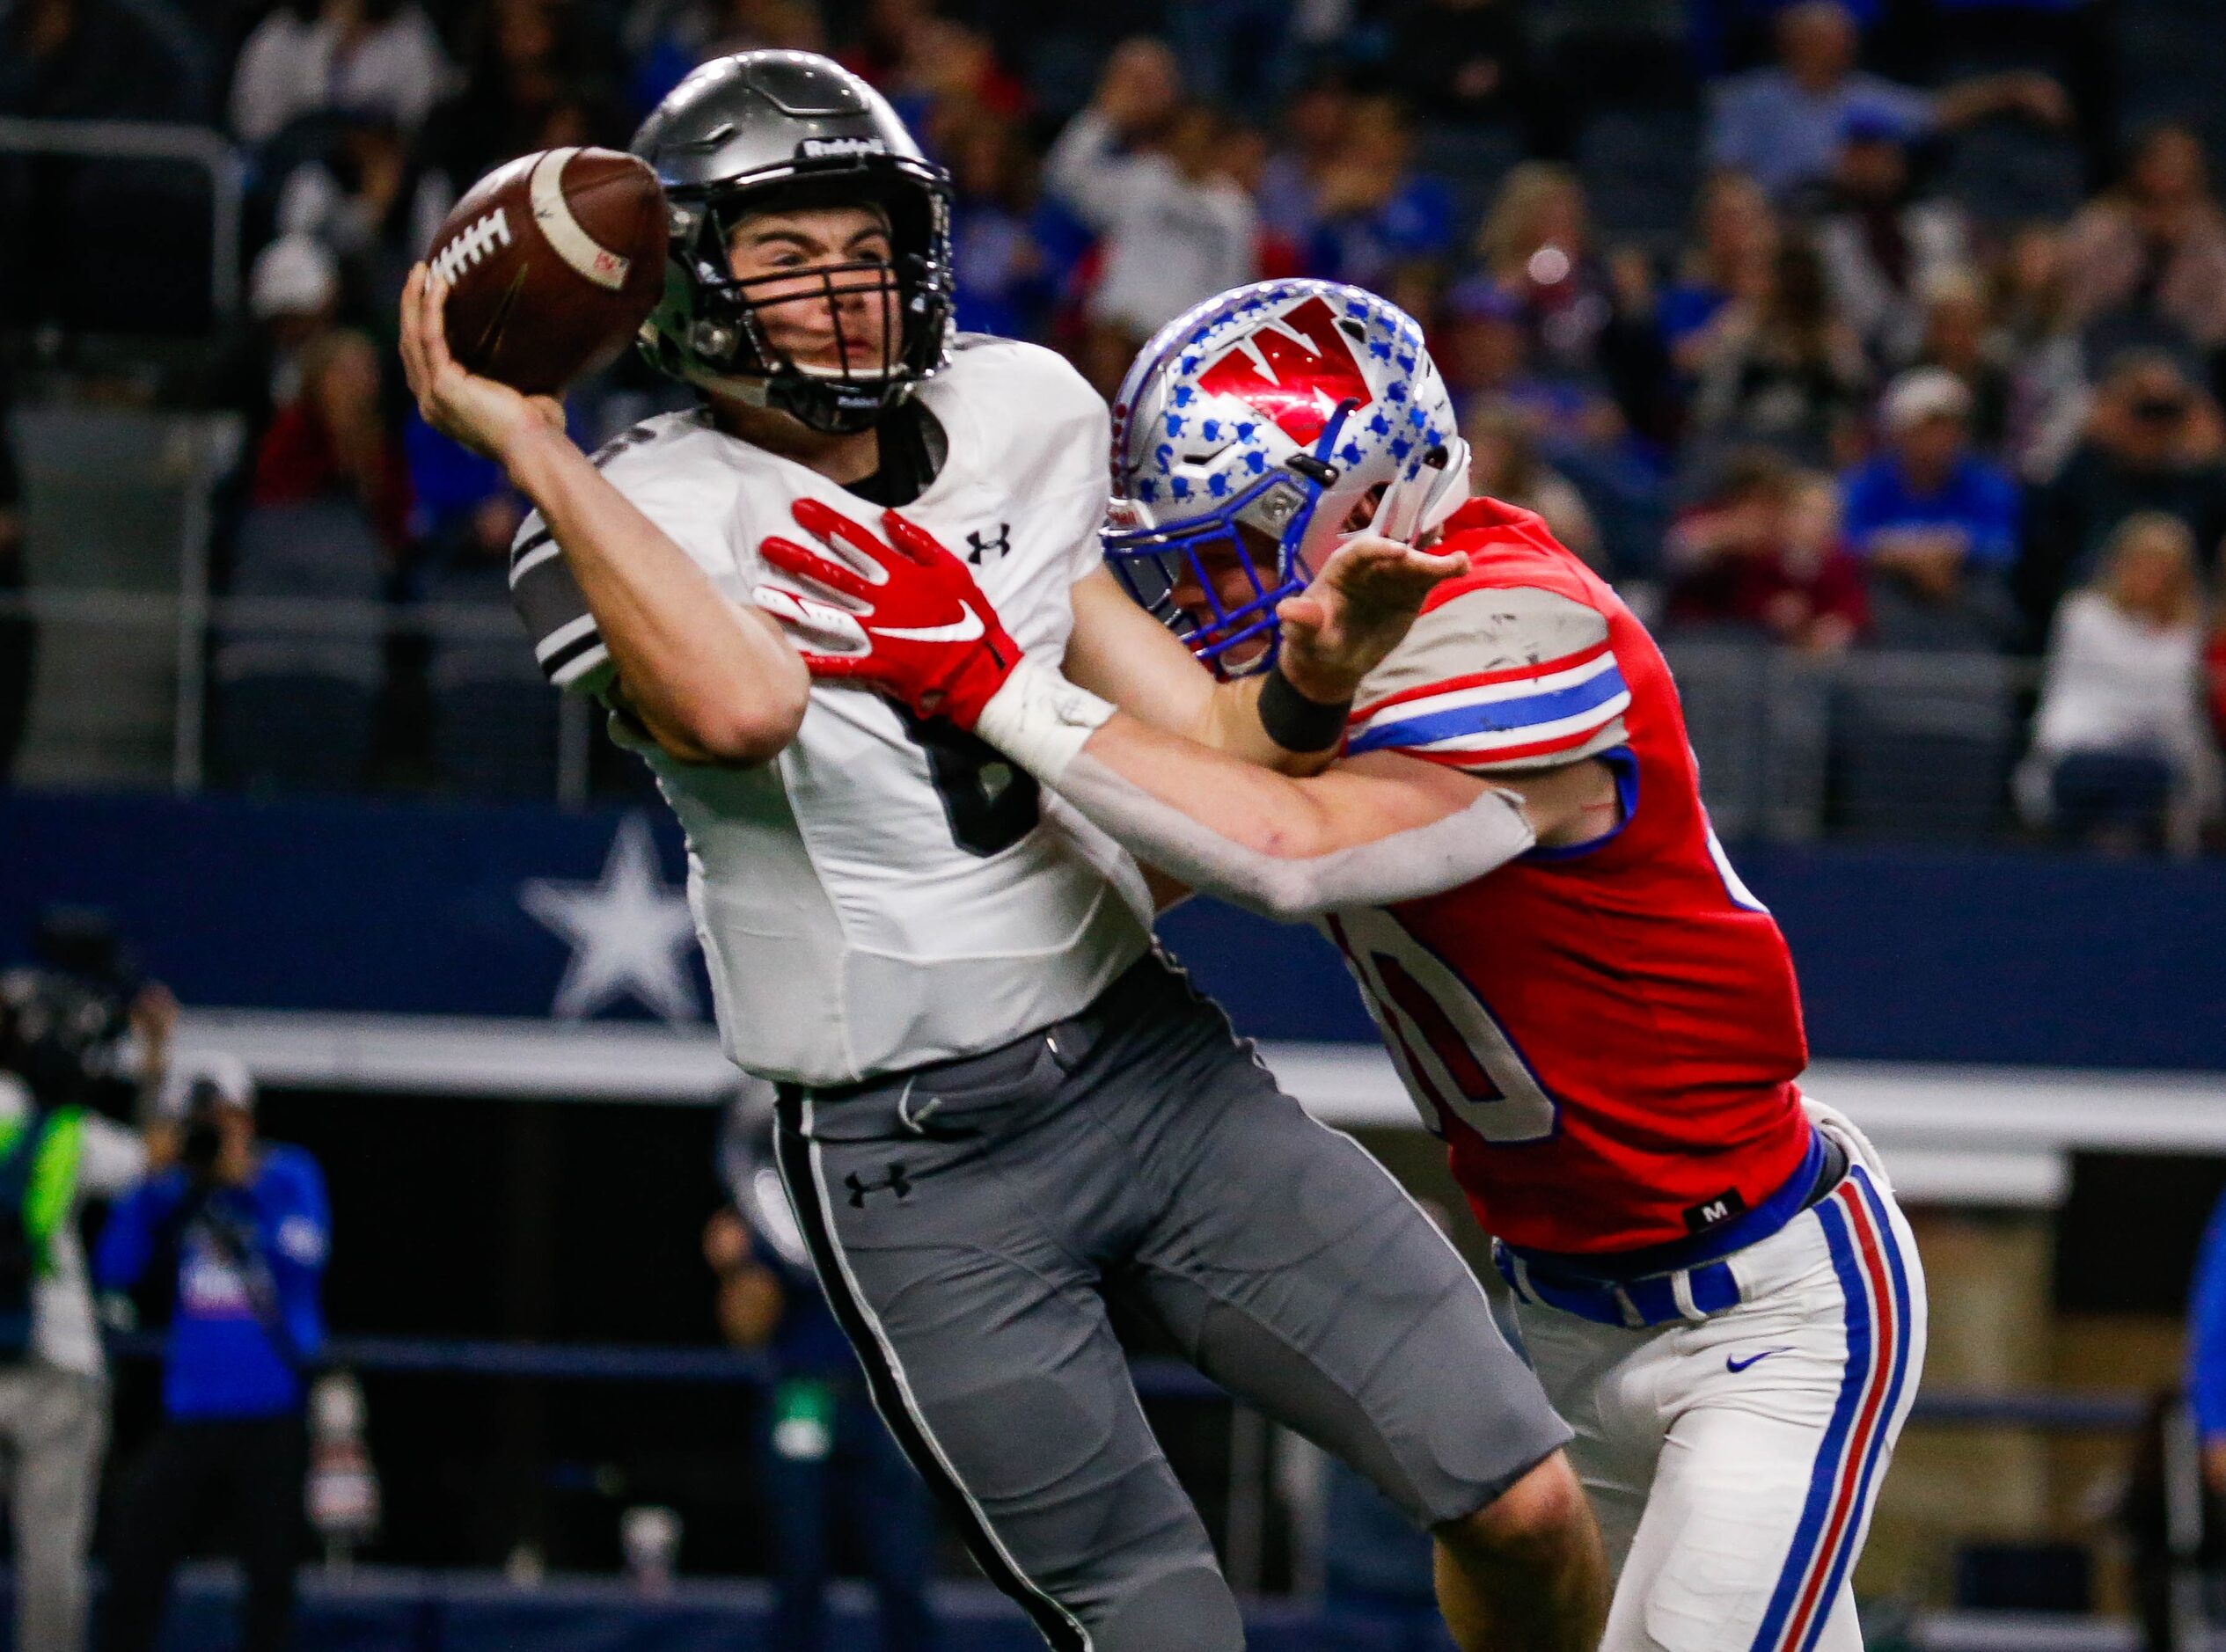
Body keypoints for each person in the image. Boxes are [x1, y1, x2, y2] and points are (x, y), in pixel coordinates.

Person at [407, 53, 1605, 1652]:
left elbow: (1216, 742)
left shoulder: (1024, 407)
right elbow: (745, 705)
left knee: (1522, 1496)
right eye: (785, 252)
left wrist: (1315, 675)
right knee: (1164, 1623)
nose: (844, 289)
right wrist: (528, 438)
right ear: (689, 289)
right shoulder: (625, 508)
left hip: (1147, 1060)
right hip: (917, 1162)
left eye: (865, 240)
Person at [773, 277, 1929, 1652]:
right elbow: (1167, 827)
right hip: (1554, 1302)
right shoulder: (1329, 655)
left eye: (1230, 547)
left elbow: (1286, 852)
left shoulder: (1523, 621)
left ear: (1369, 501)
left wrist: (988, 680)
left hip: (1765, 1296)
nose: (1196, 588)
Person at [94, 1058, 330, 1652]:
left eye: (222, 1118)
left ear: (246, 1119)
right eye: (202, 1120)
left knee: (271, 1578)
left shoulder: (288, 1174)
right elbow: (114, 1267)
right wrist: (153, 1179)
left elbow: (305, 1263)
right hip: (191, 1410)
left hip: (270, 1408)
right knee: (136, 1555)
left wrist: (242, 1183)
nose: (214, 1131)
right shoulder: (177, 1190)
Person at [707, 1082, 935, 1651]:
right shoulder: (775, 1206)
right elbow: (745, 1331)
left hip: (890, 1405)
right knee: (799, 1568)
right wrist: (736, 1269)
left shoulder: (898, 1192)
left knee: (903, 1575)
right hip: (803, 1396)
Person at [0, 958, 157, 1652]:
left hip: (39, 1361)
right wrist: (154, 1058)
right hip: (59, 1363)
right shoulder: (68, 1132)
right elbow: (152, 1159)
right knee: (51, 1562)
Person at [1705, 0, 2066, 206]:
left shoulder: (1864, 94)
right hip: (1781, 216)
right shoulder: (1749, 98)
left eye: (1847, 36)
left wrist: (2010, 88)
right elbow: (1724, 175)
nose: (1848, 44)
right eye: (1833, 36)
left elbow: (1937, 111)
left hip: (1849, 214)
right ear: (1794, 43)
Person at [2015, 511, 2220, 854]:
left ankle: (2120, 866)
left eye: (2164, 569)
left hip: (2155, 759)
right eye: (2143, 563)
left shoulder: (2188, 631)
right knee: (2120, 778)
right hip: (2079, 750)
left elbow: (2174, 709)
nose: (2152, 577)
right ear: (2120, 564)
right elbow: (2136, 697)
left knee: (2155, 782)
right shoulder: (2082, 614)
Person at [2022, 350, 2226, 641]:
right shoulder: (2083, 473)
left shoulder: (2198, 481)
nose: (2153, 428)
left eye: (2165, 413)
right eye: (2143, 412)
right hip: (2089, 627)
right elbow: (2041, 559)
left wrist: (2214, 449)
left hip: (2179, 631)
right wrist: (2094, 431)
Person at [1839, 367, 2021, 646]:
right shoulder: (1867, 482)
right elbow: (1843, 539)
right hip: (1888, 593)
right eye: (1924, 429)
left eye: (1946, 429)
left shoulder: (1987, 482)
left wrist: (1949, 549)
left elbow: (2002, 542)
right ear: (1899, 432)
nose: (1936, 441)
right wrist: (1903, 555)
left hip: (1964, 591)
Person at [1666, 450, 1866, 652]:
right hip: (1733, 646)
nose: (1811, 523)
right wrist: (1767, 608)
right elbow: (1739, 593)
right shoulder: (1756, 553)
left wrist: (1834, 622)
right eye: (1802, 512)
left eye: (1822, 515)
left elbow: (1850, 605)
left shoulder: (1838, 561)